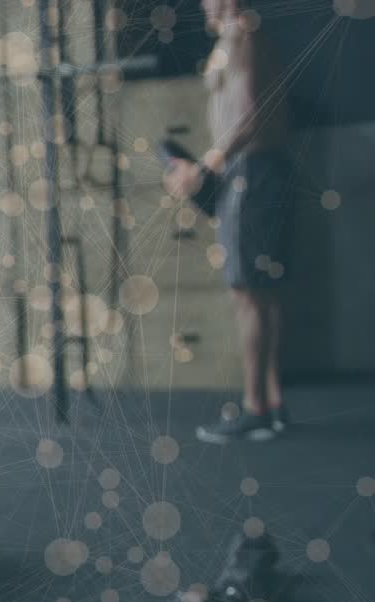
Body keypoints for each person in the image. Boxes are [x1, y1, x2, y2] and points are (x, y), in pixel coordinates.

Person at [164, 0, 292, 444]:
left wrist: (202, 168)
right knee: (261, 292)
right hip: (254, 173)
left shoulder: (241, 34)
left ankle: (256, 408)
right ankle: (272, 405)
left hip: (250, 175)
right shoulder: (240, 36)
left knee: (248, 295)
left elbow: (250, 116)